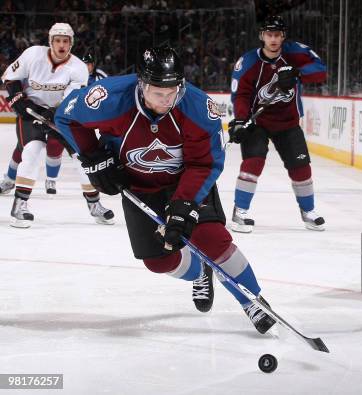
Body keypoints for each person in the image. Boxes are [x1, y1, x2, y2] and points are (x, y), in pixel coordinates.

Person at [54, 45, 276, 334]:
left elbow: (205, 163)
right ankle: (200, 271)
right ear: (142, 84)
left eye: (172, 91)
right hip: (137, 186)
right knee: (159, 262)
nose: (167, 100)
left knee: (212, 238)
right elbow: (66, 117)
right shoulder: (109, 98)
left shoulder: (198, 108)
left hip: (184, 180)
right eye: (158, 93)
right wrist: (94, 156)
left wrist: (184, 206)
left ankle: (252, 301)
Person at [1, 22, 114, 228]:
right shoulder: (33, 54)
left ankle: (94, 204)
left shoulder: (78, 67)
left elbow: (69, 100)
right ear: (50, 41)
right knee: (33, 150)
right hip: (31, 113)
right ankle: (20, 205)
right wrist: (18, 100)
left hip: (62, 117)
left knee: (82, 158)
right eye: (58, 40)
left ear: (71, 44)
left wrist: (52, 115)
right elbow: (10, 77)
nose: (61, 45)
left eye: (66, 41)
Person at [228, 15, 327, 233]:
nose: (273, 39)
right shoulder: (248, 63)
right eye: (269, 35)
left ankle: (308, 212)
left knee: (301, 167)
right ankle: (240, 212)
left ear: (283, 37)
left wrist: (298, 72)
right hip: (258, 122)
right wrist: (240, 120)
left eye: (277, 35)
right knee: (253, 163)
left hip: (288, 122)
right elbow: (241, 95)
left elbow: (321, 70)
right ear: (262, 36)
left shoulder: (295, 53)